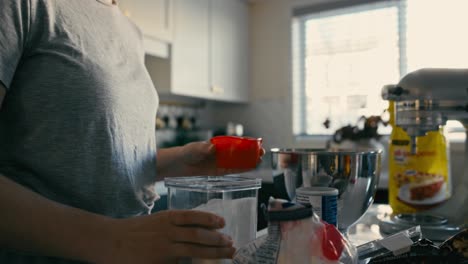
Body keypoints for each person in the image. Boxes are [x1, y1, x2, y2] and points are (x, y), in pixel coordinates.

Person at [0, 0, 264, 263]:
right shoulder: (27, 6)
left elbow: (94, 161)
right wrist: (114, 239)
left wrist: (177, 160)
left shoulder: (130, 31)